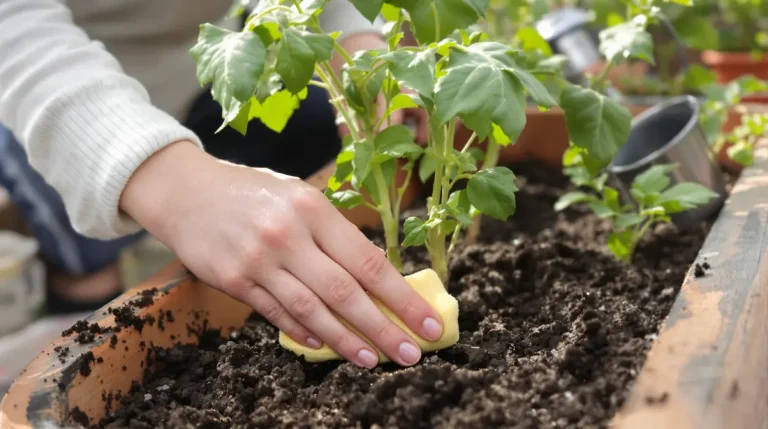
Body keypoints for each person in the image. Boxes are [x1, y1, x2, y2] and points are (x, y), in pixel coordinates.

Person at [0, 0, 440, 369]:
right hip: (49, 81)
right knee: (89, 260)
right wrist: (174, 187)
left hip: (209, 69)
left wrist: (354, 36)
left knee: (312, 134)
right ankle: (78, 297)